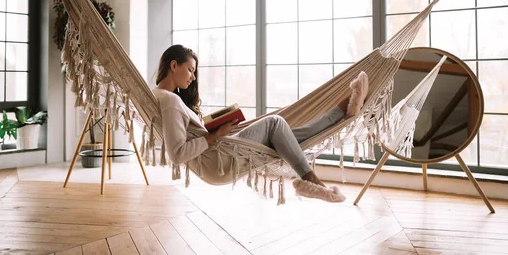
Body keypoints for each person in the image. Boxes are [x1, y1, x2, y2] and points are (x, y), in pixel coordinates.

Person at [152, 44, 368, 203]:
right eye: (190, 70)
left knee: (287, 137)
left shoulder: (162, 97)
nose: (192, 77)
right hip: (221, 157)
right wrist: (215, 135)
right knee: (275, 123)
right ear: (174, 65)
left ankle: (344, 111)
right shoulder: (170, 101)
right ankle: (309, 178)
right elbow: (177, 154)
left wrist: (215, 128)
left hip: (219, 155)